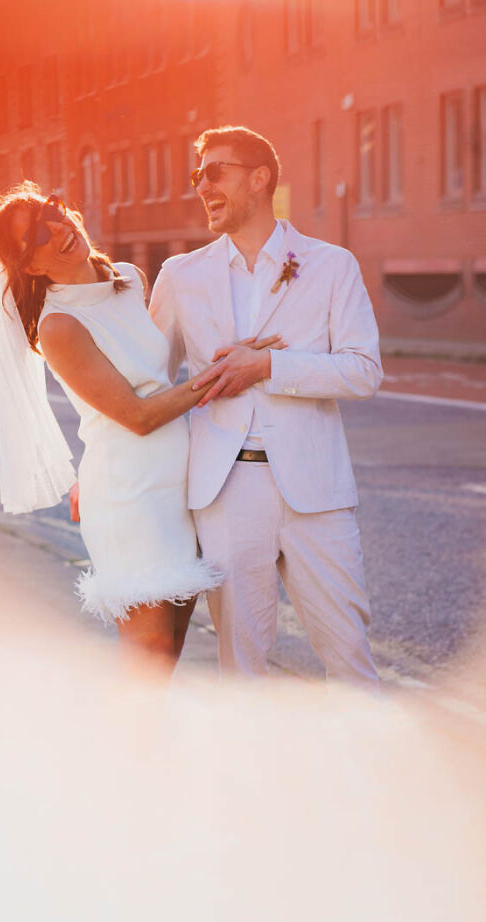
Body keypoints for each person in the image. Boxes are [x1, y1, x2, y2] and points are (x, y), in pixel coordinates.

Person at [0, 182, 280, 673]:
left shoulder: (129, 278)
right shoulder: (60, 327)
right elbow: (137, 416)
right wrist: (226, 373)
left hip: (182, 486)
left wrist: (235, 349)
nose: (57, 229)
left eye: (49, 211)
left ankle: (145, 750)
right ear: (30, 267)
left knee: (174, 646)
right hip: (130, 496)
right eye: (36, 235)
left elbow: (156, 366)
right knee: (149, 656)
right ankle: (120, 750)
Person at [150, 126, 382, 687]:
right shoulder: (180, 276)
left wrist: (270, 367)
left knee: (349, 656)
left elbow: (363, 370)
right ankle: (254, 776)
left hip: (317, 492)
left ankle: (374, 772)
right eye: (196, 176)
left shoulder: (331, 265)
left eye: (214, 172)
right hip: (225, 493)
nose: (201, 186)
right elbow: (147, 385)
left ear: (260, 179)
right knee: (242, 669)